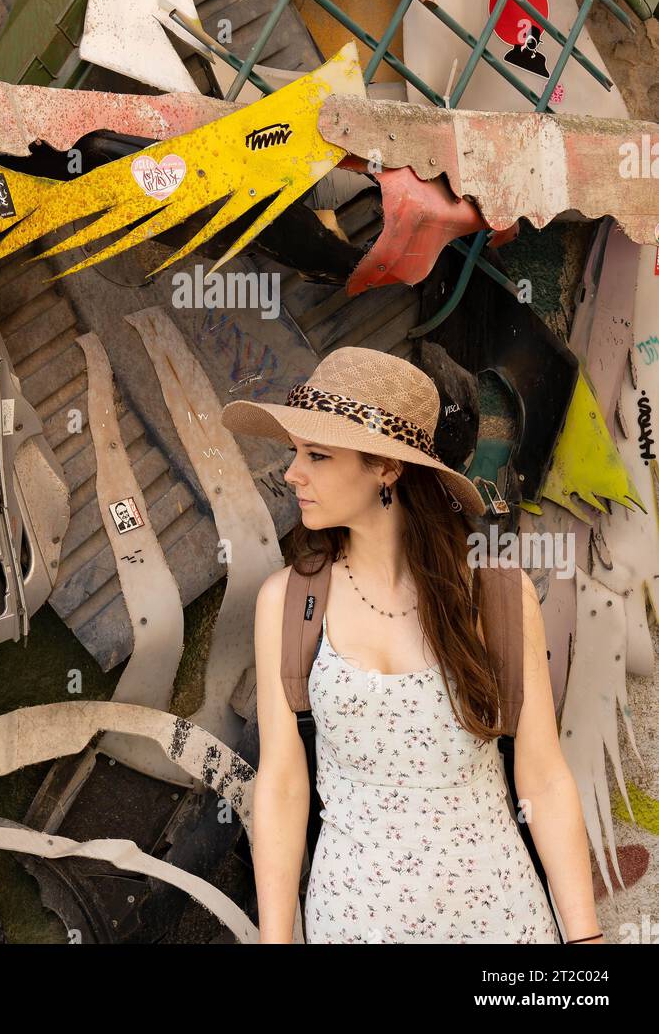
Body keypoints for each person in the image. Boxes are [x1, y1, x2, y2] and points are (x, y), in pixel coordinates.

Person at [221, 347, 603, 946]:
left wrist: (584, 941)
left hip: (500, 920)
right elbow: (283, 785)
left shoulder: (498, 597)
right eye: (297, 452)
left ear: (387, 469)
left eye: (317, 455)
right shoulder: (289, 602)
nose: (292, 472)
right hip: (354, 921)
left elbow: (544, 778)